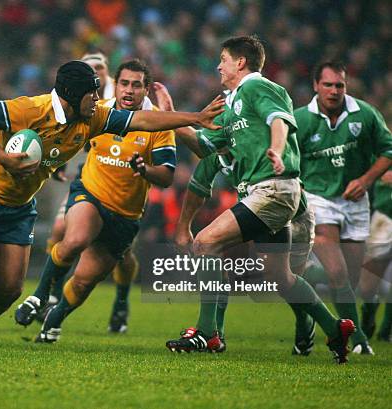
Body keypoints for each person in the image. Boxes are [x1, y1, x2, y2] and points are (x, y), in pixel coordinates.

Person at [0, 60, 224, 347]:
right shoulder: (32, 109)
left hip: (19, 206)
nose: (98, 98)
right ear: (73, 95)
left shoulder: (92, 117)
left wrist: (194, 117)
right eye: (92, 93)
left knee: (8, 290)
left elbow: (142, 121)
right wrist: (3, 158)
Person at [164, 36, 355, 364]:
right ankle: (335, 328)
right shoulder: (233, 103)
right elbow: (203, 146)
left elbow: (278, 120)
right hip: (267, 194)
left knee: (205, 243)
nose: (218, 66)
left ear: (241, 62)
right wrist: (169, 115)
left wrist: (277, 151)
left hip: (273, 188)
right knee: (281, 277)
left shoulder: (257, 87)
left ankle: (208, 333)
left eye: (223, 59)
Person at [14, 59, 175, 340]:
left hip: (125, 215)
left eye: (136, 85)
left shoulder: (158, 124)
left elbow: (166, 176)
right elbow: (69, 136)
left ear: (146, 90)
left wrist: (144, 170)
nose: (129, 90)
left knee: (85, 281)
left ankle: (55, 318)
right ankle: (40, 296)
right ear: (117, 84)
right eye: (124, 83)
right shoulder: (98, 112)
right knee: (74, 239)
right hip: (90, 194)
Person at [174, 149, 317, 355]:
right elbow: (199, 182)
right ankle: (215, 333)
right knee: (216, 251)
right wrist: (183, 225)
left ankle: (310, 322)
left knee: (284, 280)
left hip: (293, 214)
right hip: (255, 210)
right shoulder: (218, 153)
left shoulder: (257, 142)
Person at [294, 61, 392, 355]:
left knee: (349, 278)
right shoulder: (300, 120)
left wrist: (365, 179)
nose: (334, 91)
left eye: (340, 85)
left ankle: (304, 279)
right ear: (315, 86)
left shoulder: (364, 114)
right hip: (318, 200)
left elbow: (388, 150)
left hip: (355, 202)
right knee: (337, 272)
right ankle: (358, 336)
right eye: (328, 85)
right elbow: (286, 158)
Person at [359, 168, 392, 343]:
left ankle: (386, 331)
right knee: (368, 283)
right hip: (385, 217)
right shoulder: (382, 143)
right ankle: (368, 316)